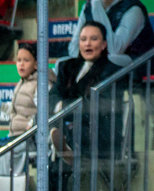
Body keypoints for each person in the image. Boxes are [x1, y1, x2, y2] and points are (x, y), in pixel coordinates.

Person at [50, 22, 124, 165]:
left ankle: (64, 144)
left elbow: (97, 106)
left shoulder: (113, 71)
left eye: (93, 39)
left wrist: (62, 107)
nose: (87, 44)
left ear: (103, 44)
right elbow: (52, 96)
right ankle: (59, 142)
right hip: (67, 122)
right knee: (41, 116)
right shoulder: (67, 67)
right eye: (83, 39)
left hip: (94, 133)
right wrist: (60, 107)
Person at [68, 0, 154, 68]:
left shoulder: (133, 8)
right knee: (64, 63)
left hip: (140, 64)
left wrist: (98, 7)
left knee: (105, 61)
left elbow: (115, 50)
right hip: (105, 65)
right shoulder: (89, 6)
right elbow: (73, 48)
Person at [0, 44, 41, 138]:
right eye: (19, 60)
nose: (21, 64)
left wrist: (31, 125)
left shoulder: (40, 85)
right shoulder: (22, 82)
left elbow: (44, 112)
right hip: (14, 136)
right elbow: (16, 110)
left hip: (27, 138)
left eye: (26, 60)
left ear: (36, 64)